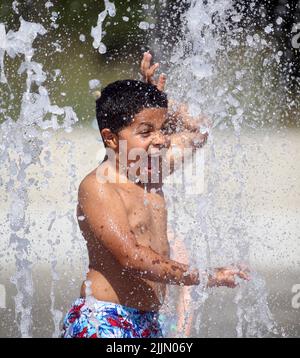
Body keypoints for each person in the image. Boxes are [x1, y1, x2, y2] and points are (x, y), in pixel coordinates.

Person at [61, 51, 250, 338]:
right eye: (147, 132)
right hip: (104, 319)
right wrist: (205, 276)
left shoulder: (152, 172)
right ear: (110, 138)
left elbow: (200, 130)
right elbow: (132, 257)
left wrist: (156, 99)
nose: (161, 140)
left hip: (148, 322)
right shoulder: (98, 186)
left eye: (162, 130)